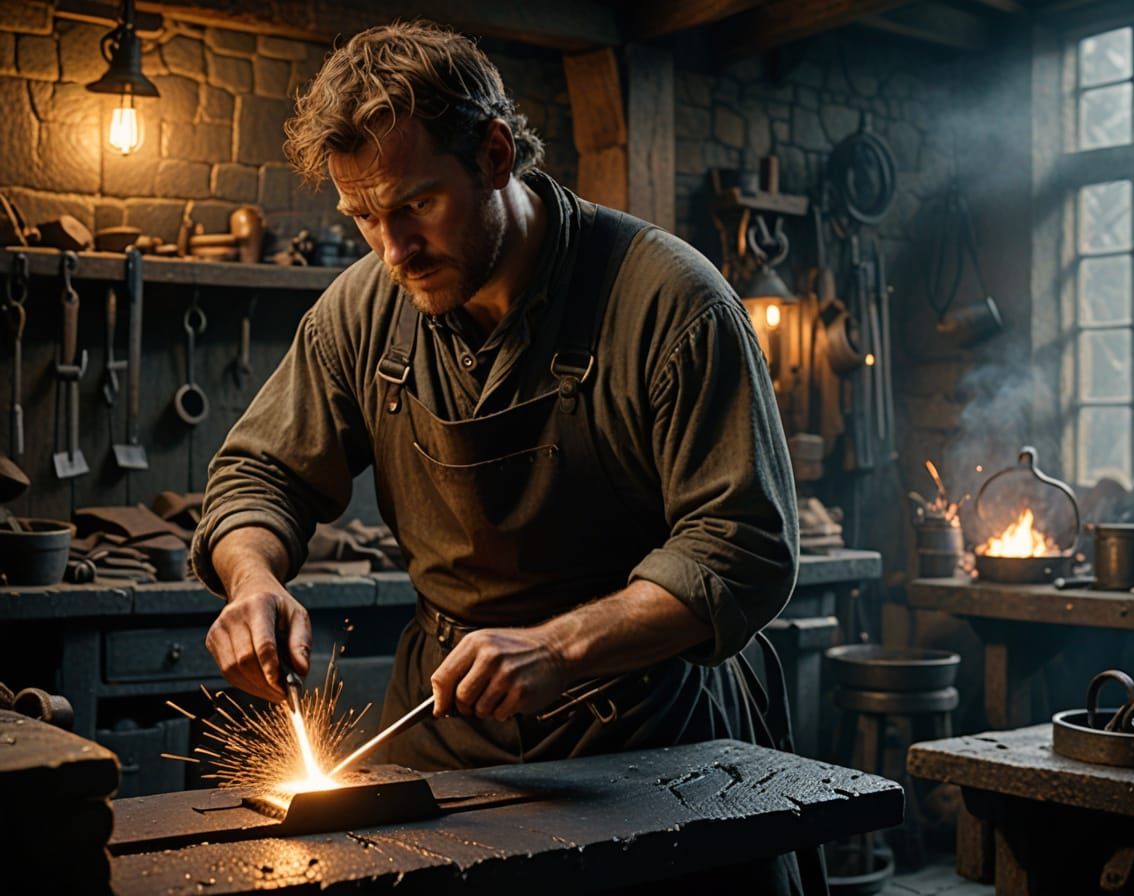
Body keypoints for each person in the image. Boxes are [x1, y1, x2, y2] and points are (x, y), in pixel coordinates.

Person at [192, 22, 805, 882]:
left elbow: (743, 549)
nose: (393, 250)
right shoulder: (362, 310)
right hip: (445, 736)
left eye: (415, 206)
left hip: (643, 736)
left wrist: (561, 648)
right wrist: (253, 578)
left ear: (493, 154)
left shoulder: (672, 305)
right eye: (365, 217)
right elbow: (259, 474)